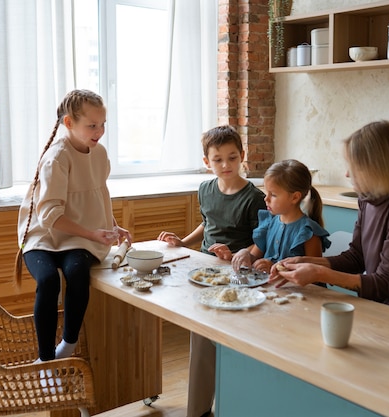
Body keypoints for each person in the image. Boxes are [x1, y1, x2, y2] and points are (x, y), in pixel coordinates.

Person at [269, 120, 389, 324]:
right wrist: (305, 261)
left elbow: (387, 282)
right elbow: (356, 257)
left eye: (353, 167)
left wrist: (319, 273)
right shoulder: (368, 200)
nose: (347, 174)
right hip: (386, 313)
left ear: (375, 168)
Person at [157, 125, 266, 417]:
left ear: (242, 156)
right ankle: (202, 408)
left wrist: (237, 257)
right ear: (207, 162)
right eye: (218, 159)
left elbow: (262, 242)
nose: (226, 165)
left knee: (218, 341)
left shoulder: (254, 198)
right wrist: (183, 241)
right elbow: (208, 224)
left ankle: (214, 406)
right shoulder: (205, 189)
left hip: (238, 275)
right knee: (202, 335)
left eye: (232, 158)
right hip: (204, 270)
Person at [17, 89, 132, 363]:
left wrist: (113, 226)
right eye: (92, 125)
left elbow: (97, 194)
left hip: (77, 238)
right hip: (41, 237)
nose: (100, 131)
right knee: (48, 281)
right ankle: (45, 360)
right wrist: (93, 233)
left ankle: (68, 344)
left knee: (77, 273)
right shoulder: (57, 158)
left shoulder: (100, 153)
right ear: (69, 123)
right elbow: (50, 216)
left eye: (103, 124)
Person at [231, 159, 330, 273]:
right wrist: (243, 254)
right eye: (266, 192)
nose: (266, 198)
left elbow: (314, 276)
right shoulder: (269, 222)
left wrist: (276, 269)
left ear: (295, 197)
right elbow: (254, 256)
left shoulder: (308, 233)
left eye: (273, 195)